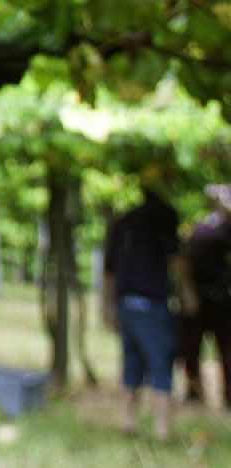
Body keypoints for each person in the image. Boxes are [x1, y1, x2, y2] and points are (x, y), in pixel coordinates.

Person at [103, 163, 198, 439]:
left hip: (126, 300)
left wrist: (109, 306)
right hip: (150, 301)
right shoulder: (163, 217)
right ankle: (161, 428)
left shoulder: (125, 220)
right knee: (161, 361)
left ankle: (127, 420)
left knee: (131, 360)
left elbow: (109, 268)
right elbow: (176, 257)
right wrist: (188, 292)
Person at [180, 184, 231, 408]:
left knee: (227, 350)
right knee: (191, 348)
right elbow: (186, 262)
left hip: (225, 300)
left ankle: (228, 396)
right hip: (199, 298)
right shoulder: (201, 228)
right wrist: (188, 292)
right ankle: (194, 391)